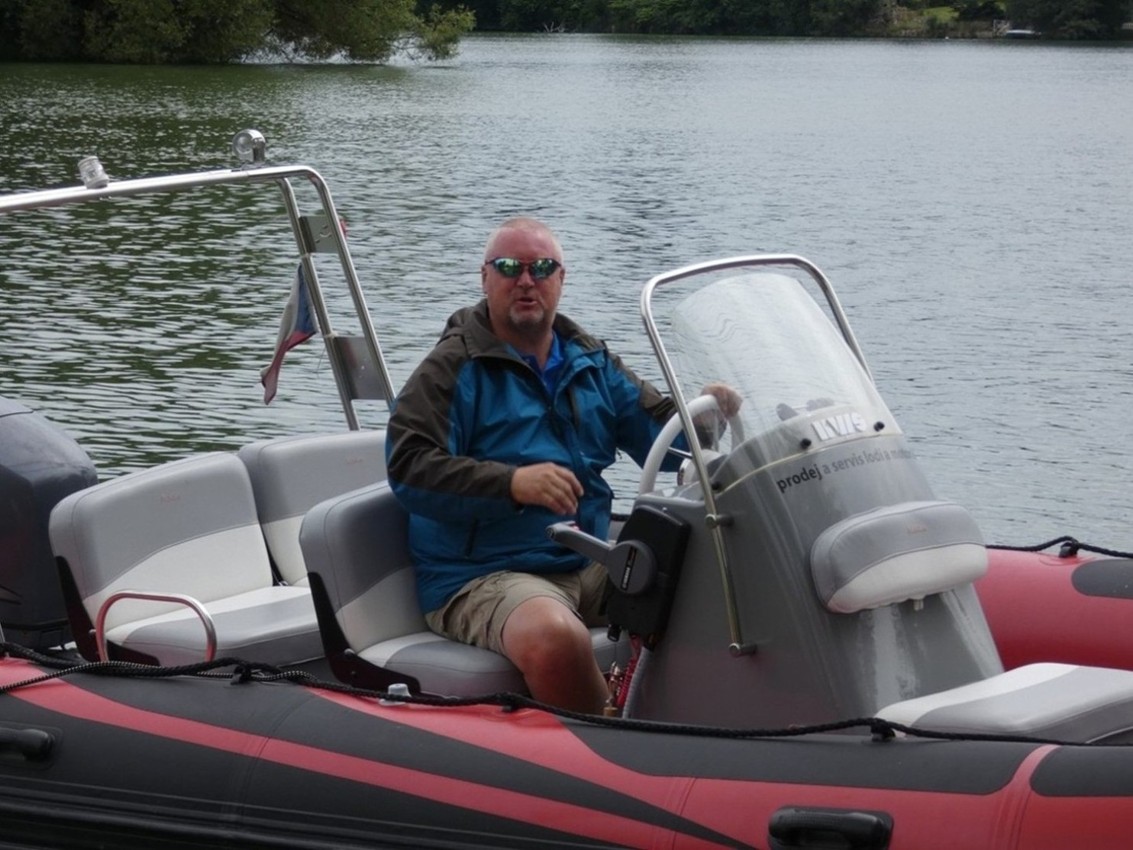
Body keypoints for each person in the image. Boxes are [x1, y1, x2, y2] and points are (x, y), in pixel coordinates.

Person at [385, 217, 739, 713]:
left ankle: (730, 723)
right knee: (555, 637)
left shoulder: (589, 360)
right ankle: (615, 747)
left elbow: (663, 441)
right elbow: (409, 468)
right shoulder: (451, 368)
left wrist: (706, 418)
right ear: (485, 278)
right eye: (509, 267)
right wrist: (511, 484)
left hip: (584, 559)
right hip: (479, 573)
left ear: (561, 279)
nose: (525, 280)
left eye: (541, 268)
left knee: (721, 588)